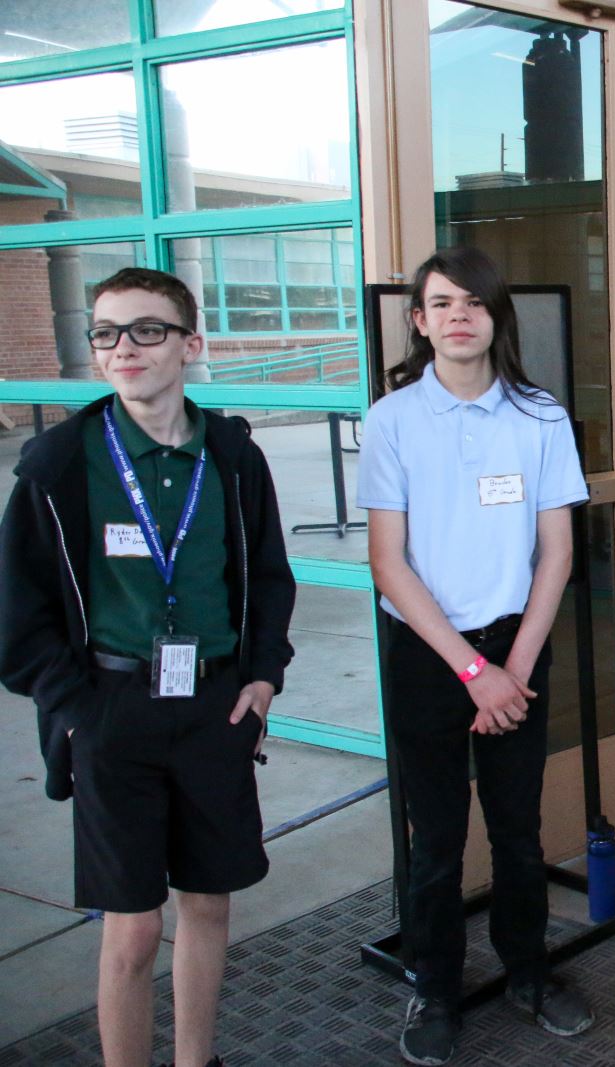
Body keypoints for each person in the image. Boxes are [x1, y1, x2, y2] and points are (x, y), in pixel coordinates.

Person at [0, 267, 296, 1067]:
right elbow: (18, 620)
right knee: (131, 928)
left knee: (208, 902)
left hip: (214, 709)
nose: (122, 347)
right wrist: (76, 708)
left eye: (146, 330)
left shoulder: (232, 456)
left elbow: (269, 577)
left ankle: (196, 1062)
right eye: (106, 332)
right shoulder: (59, 465)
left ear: (191, 345)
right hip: (110, 711)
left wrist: (261, 679)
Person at [356, 246, 594, 1065]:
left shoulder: (540, 417)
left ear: (498, 318)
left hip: (515, 650)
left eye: (475, 302)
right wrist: (473, 672)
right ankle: (436, 986)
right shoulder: (391, 420)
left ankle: (529, 973)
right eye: (442, 303)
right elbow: (389, 561)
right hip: (430, 655)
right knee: (436, 841)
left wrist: (515, 669)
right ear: (419, 322)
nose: (460, 315)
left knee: (520, 833)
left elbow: (557, 552)